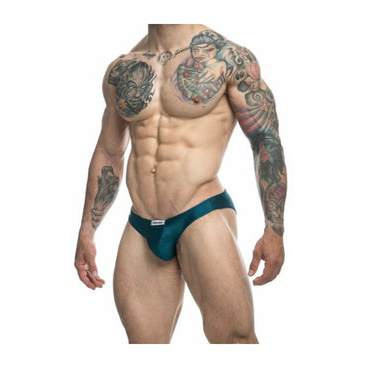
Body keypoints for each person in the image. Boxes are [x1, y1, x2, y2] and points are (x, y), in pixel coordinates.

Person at [74, 24, 287, 344]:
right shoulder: (123, 68)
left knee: (235, 340)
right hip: (141, 224)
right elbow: (109, 151)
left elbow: (265, 140)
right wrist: (87, 231)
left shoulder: (228, 58)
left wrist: (274, 230)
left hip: (200, 213)